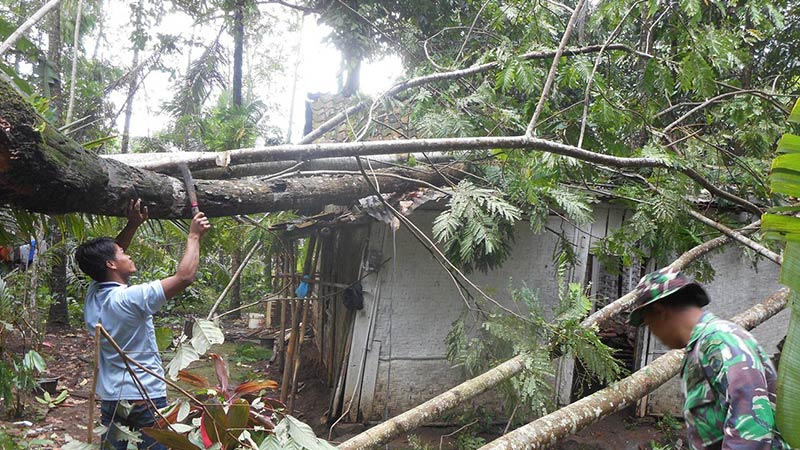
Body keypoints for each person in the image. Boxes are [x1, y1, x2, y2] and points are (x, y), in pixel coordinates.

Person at [76, 199, 211, 450]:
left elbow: (110, 258)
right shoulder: (130, 298)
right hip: (144, 398)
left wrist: (132, 225)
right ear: (111, 264)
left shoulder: (94, 294)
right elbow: (184, 277)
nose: (128, 253)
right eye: (123, 254)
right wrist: (193, 236)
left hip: (112, 399)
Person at [627, 268, 789, 450]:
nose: (654, 333)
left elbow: (751, 429)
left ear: (660, 311)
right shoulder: (702, 346)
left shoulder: (719, 343)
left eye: (650, 324)